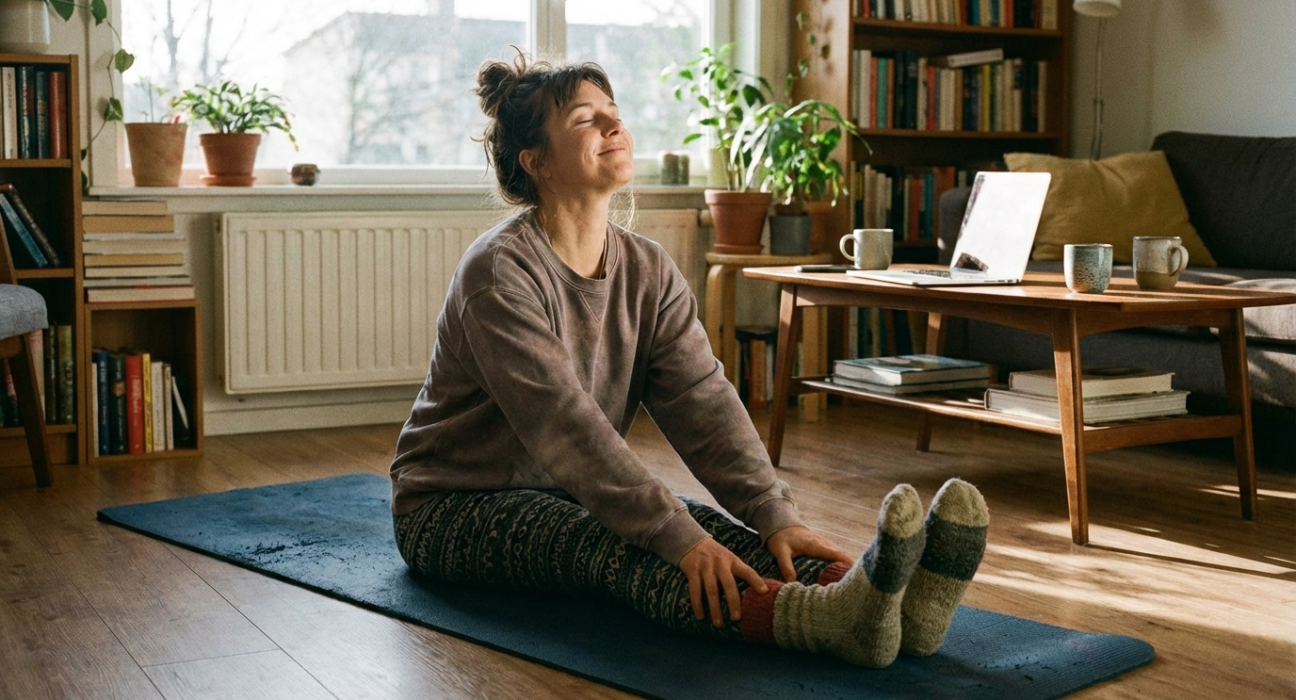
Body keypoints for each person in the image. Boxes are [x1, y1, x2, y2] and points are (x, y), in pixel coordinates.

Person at [389, 53, 989, 668]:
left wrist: (774, 514)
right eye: (584, 120)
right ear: (535, 162)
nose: (612, 127)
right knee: (638, 542)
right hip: (452, 505)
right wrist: (675, 538)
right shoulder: (499, 272)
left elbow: (703, 402)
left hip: (567, 489)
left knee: (718, 532)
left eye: (614, 115)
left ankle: (897, 606)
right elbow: (566, 427)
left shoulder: (648, 270)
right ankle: (823, 621)